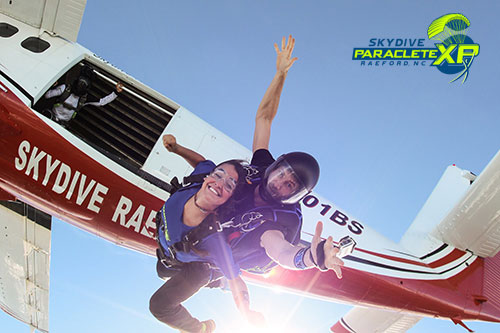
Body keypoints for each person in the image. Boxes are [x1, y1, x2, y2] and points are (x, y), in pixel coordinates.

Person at [150, 134, 264, 333]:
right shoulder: (196, 182)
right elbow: (202, 162)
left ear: (229, 197)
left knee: (160, 306)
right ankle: (215, 280)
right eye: (218, 175)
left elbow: (237, 280)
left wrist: (246, 311)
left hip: (197, 270)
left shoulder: (213, 240)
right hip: (170, 256)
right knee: (162, 271)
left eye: (229, 185)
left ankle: (202, 328)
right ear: (208, 176)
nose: (219, 183)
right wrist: (176, 148)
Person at [43, 66, 123, 126]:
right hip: (50, 118)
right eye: (80, 83)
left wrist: (116, 92)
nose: (80, 86)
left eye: (84, 85)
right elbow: (47, 95)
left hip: (62, 125)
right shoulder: (64, 89)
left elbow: (101, 102)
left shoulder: (84, 99)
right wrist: (52, 85)